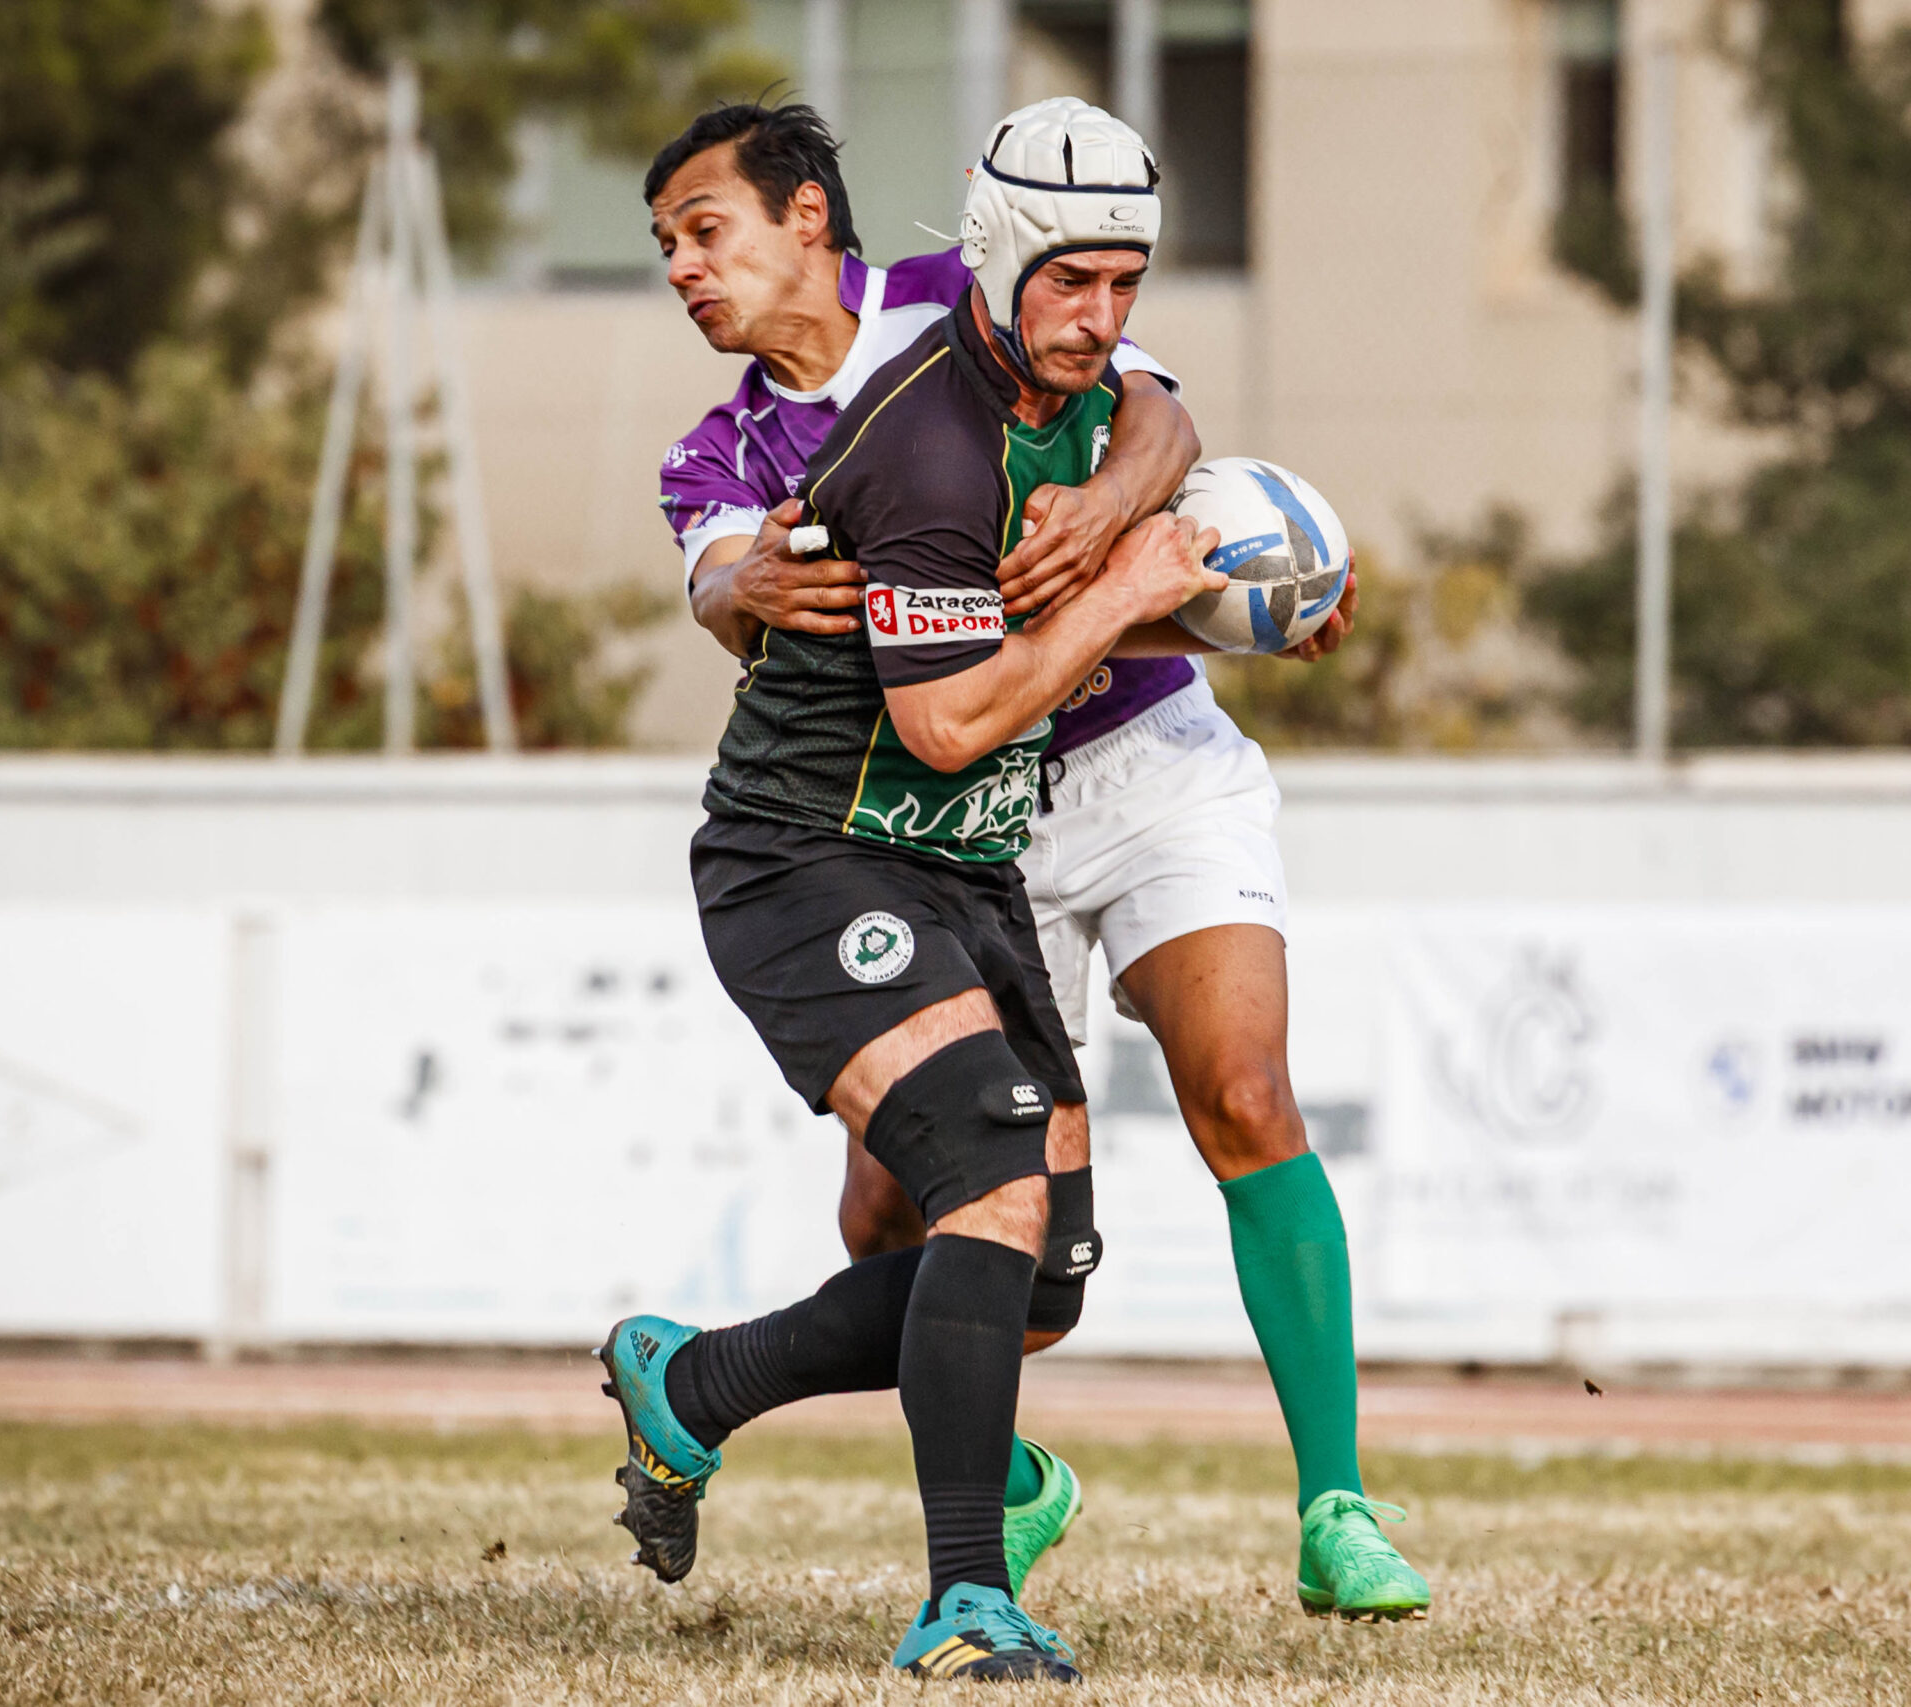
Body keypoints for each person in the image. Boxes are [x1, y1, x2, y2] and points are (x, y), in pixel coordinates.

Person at [659, 97, 1429, 1625]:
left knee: (1243, 1089)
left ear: (807, 217)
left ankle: (1336, 1504)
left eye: (705, 232)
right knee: (908, 1216)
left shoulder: (988, 299)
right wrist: (744, 583)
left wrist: (1139, 525)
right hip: (956, 820)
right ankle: (997, 1486)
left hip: (1141, 754)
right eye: (669, 248)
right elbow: (734, 599)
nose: (685, 271)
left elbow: (1165, 423)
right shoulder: (725, 453)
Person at [598, 96, 1220, 1683]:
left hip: (958, 854)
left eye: (1124, 287)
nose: (1103, 320)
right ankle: (964, 1595)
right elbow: (948, 715)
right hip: (809, 853)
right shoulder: (930, 441)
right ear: (998, 266)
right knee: (993, 1182)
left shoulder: (1048, 377)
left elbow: (1162, 428)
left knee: (1041, 1274)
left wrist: (1190, 565)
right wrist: (1141, 585)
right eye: (1072, 285)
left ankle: (701, 1382)